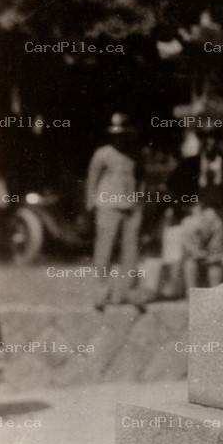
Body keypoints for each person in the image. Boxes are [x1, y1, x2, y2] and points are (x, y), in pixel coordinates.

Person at [164, 127, 223, 295]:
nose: (209, 143)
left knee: (215, 257)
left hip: (218, 215)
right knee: (191, 254)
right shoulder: (189, 164)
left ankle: (213, 298)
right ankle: (191, 296)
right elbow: (172, 188)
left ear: (219, 141)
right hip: (195, 214)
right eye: (205, 138)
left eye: (213, 138)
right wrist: (184, 209)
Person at [85, 113, 145, 310]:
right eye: (117, 134)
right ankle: (102, 291)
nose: (121, 138)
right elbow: (92, 179)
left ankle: (131, 291)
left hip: (130, 207)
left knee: (131, 251)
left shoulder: (137, 154)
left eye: (125, 134)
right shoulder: (103, 154)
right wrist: (90, 203)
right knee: (104, 249)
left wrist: (140, 202)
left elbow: (141, 179)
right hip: (107, 206)